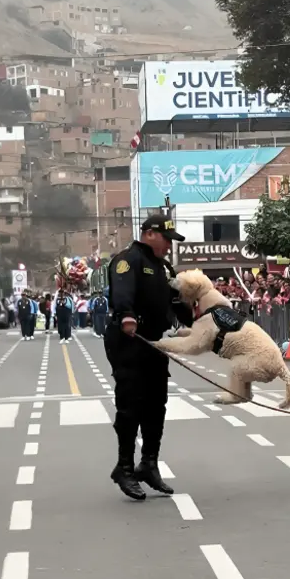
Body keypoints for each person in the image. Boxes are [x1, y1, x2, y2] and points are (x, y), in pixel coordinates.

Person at [105, 214, 194, 501]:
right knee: (131, 404)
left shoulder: (163, 266)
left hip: (155, 341)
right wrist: (127, 315)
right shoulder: (128, 260)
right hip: (129, 338)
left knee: (157, 403)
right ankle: (125, 467)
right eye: (167, 239)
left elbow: (176, 301)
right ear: (150, 234)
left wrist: (198, 316)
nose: (169, 245)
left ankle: (149, 463)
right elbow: (122, 293)